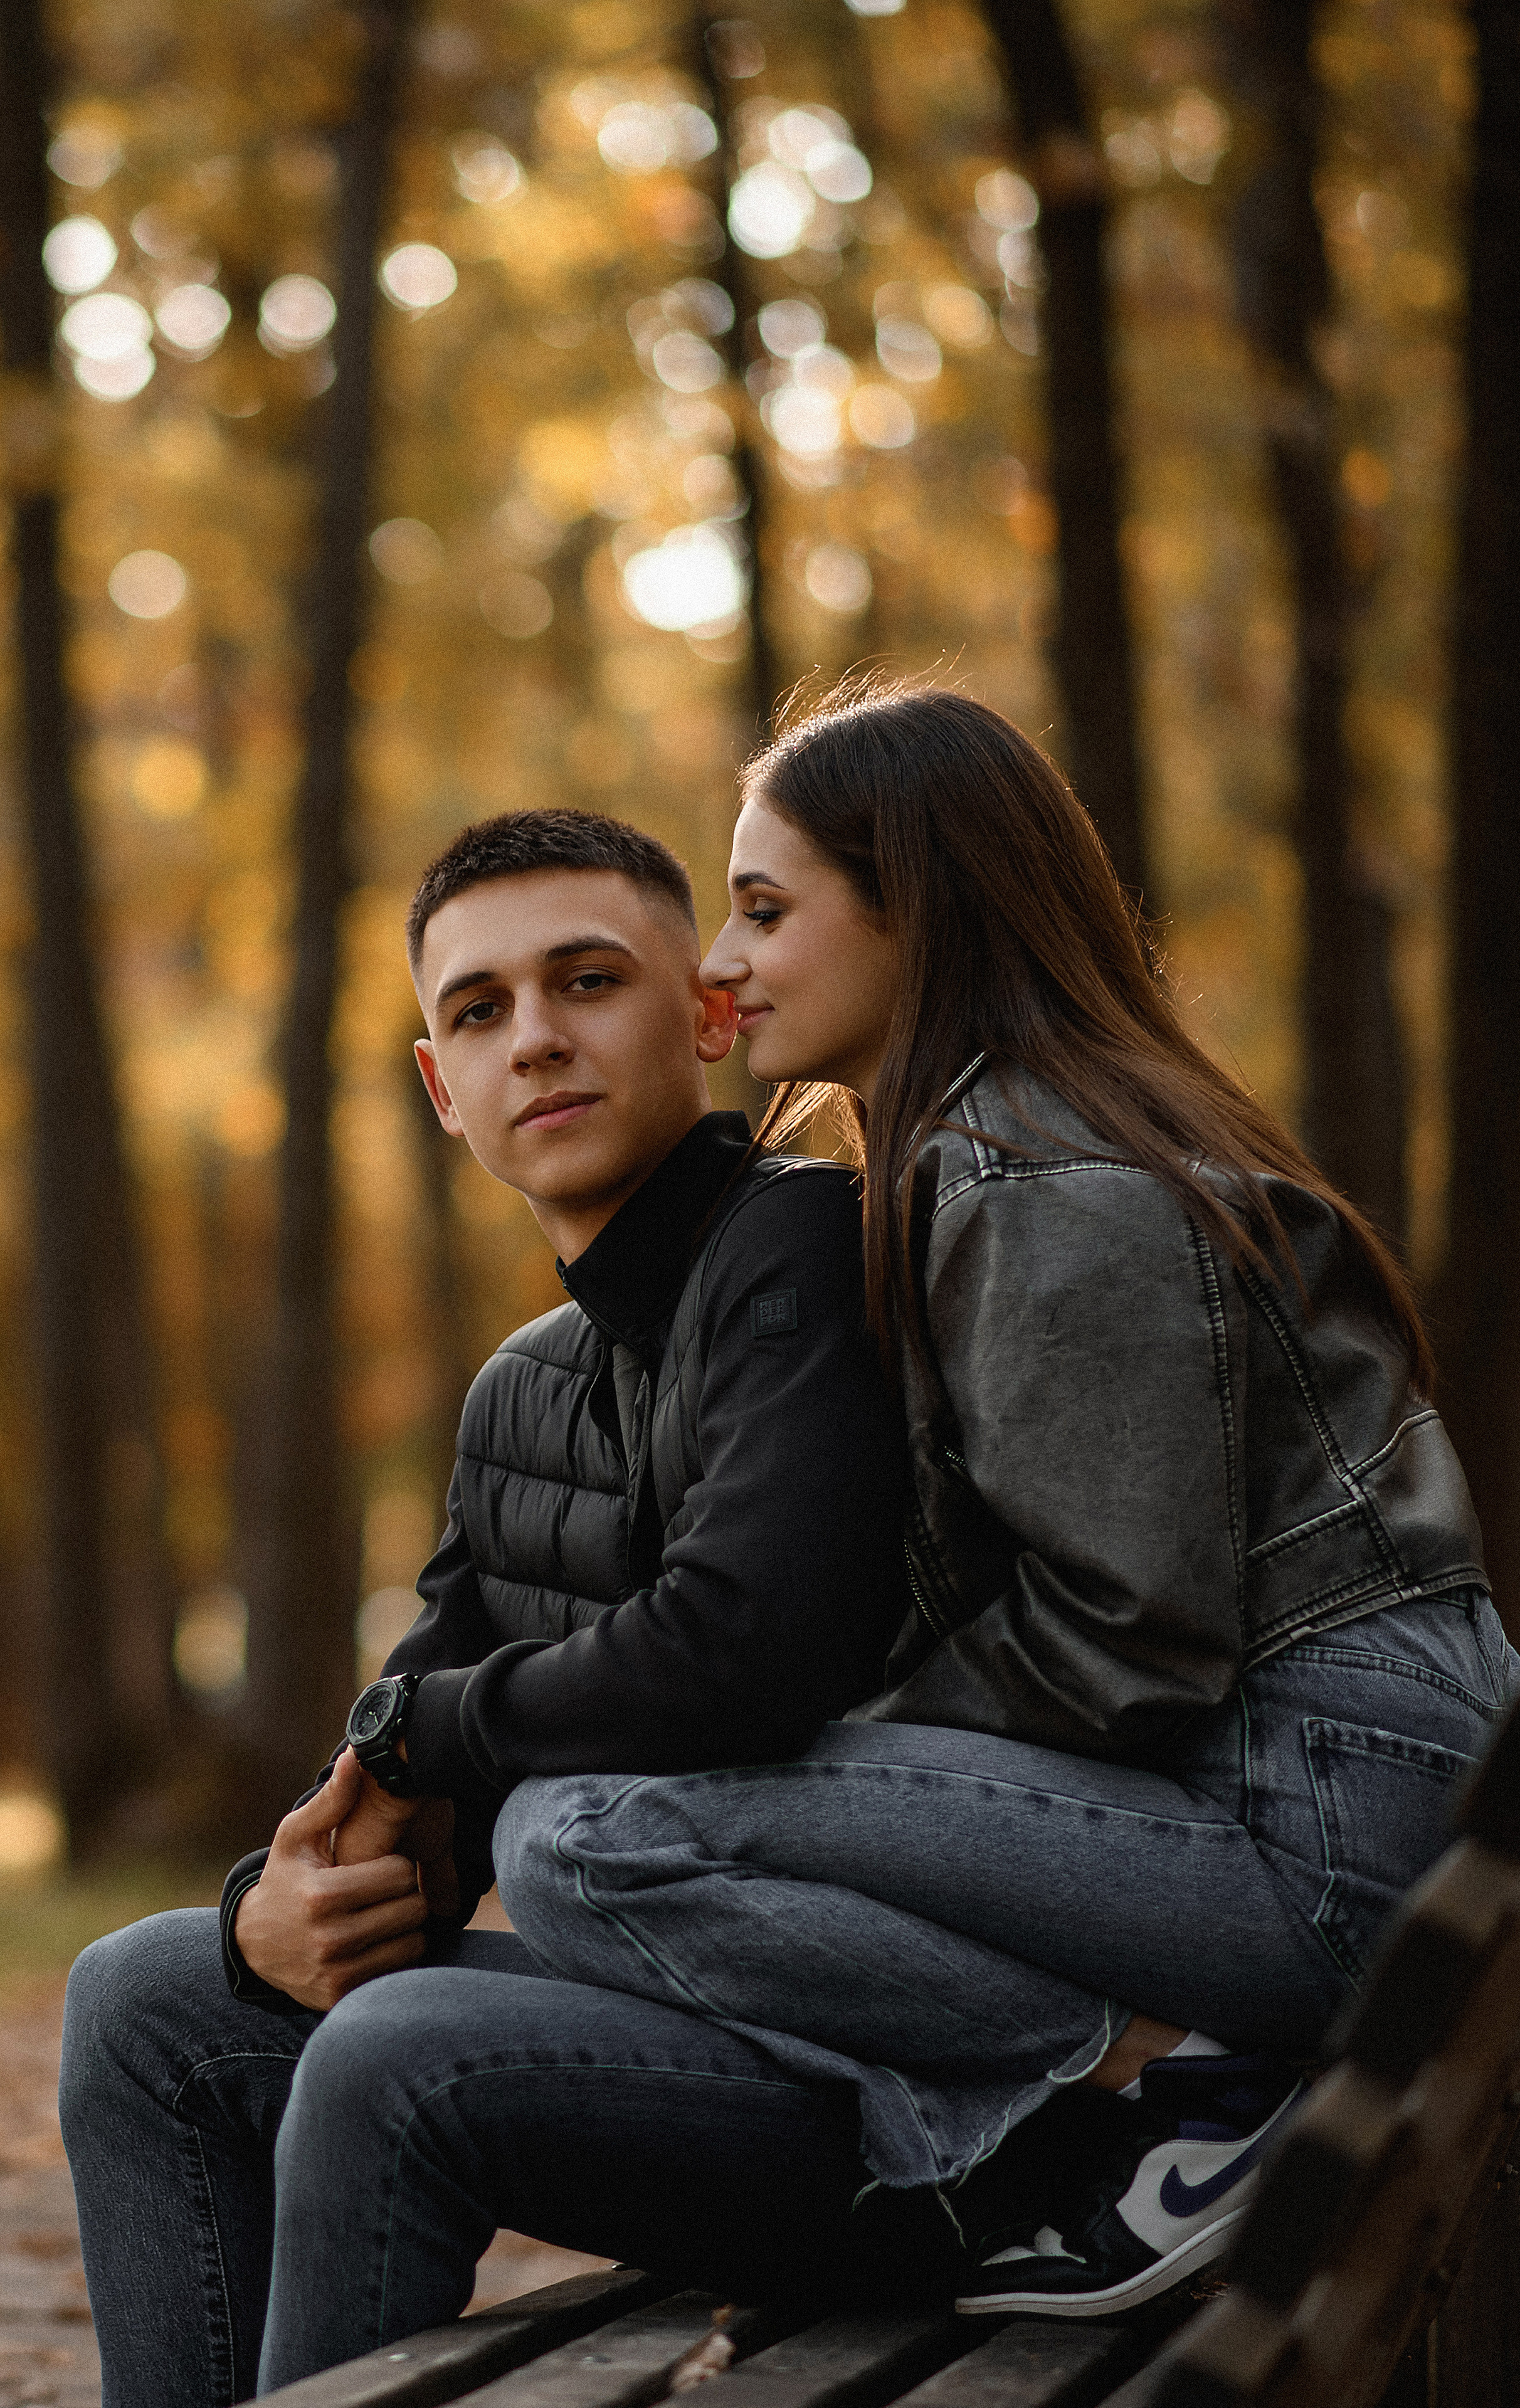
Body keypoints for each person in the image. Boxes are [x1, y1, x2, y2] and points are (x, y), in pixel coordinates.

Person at [489, 683, 1519, 2320]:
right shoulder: (1002, 1146)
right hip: (1340, 1806)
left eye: (765, 908)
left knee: (584, 1831)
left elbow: (1129, 1638)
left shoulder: (1045, 1176)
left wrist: (855, 1736)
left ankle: (1171, 2095)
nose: (721, 964)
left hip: (1322, 1835)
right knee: (618, 1811)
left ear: (924, 906)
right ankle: (1132, 2109)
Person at [59, 809, 913, 2406]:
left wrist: (422, 1727)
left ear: (709, 1014)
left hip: (894, 2080)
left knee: (398, 2059)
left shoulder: (801, 1245)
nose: (535, 1039)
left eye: (586, 981)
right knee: (145, 1996)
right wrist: (278, 1908)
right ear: (441, 1091)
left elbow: (751, 1646)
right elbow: (406, 1759)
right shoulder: (527, 1391)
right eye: (478, 1011)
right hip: (683, 2036)